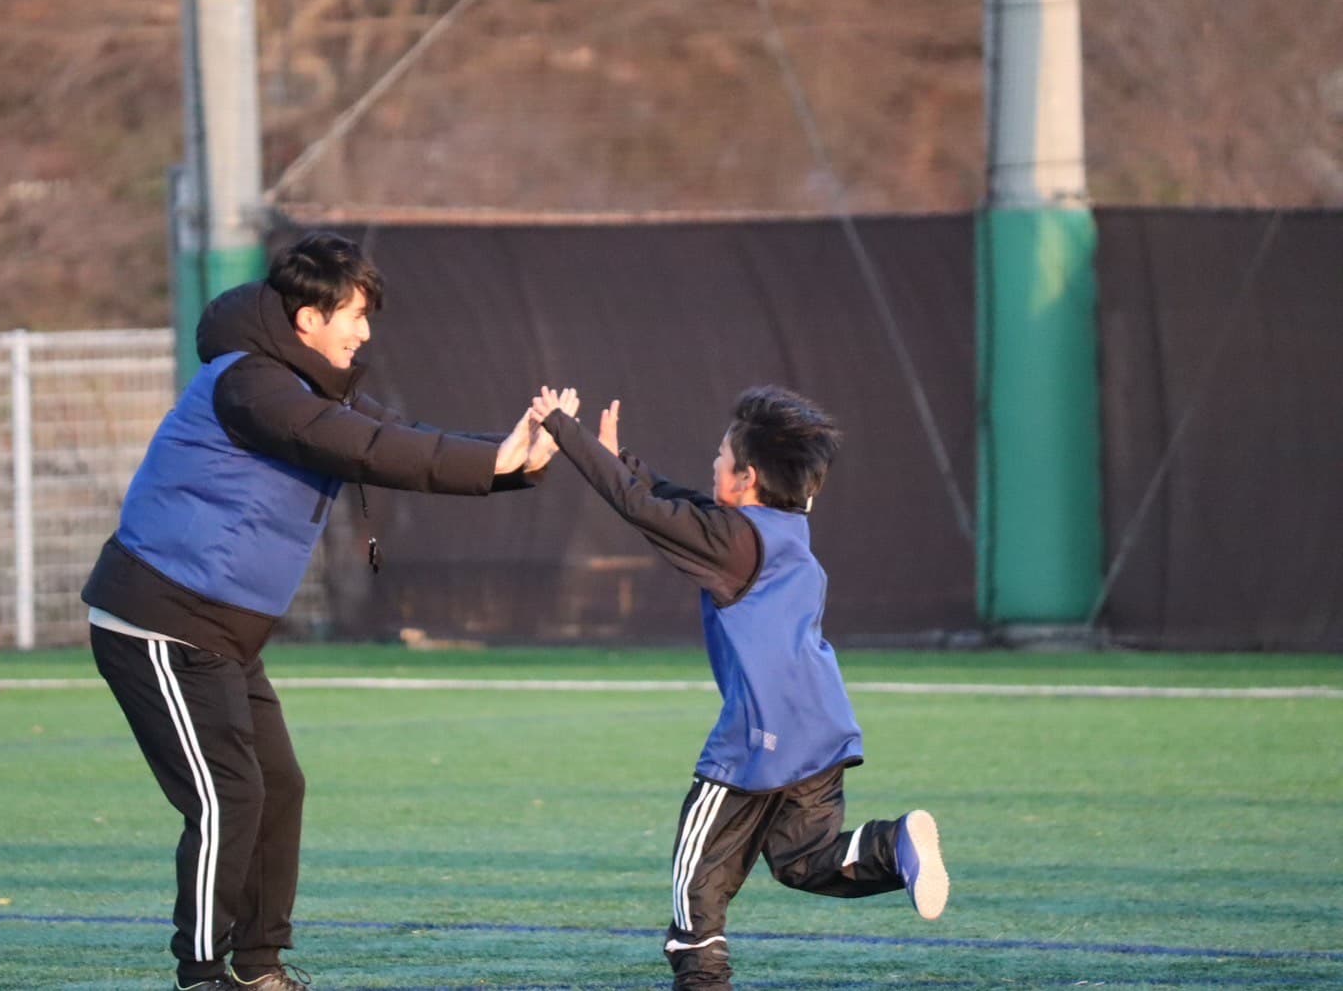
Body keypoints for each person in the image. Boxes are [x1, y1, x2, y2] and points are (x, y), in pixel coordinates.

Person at [82, 231, 571, 991]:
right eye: (354, 313)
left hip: (223, 635)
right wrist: (496, 460)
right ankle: (202, 971)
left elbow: (391, 440)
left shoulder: (305, 387)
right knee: (228, 795)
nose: (365, 330)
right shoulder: (251, 384)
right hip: (160, 621)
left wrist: (513, 461)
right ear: (308, 317)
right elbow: (365, 446)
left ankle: (258, 964)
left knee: (279, 785)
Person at [532, 384, 950, 991]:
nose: (713, 464)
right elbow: (680, 507)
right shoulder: (780, 530)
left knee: (694, 902)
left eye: (721, 457)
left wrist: (564, 432)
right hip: (821, 729)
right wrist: (623, 461)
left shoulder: (733, 542)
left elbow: (643, 510)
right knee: (805, 861)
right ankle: (892, 844)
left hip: (760, 741)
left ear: (747, 477)